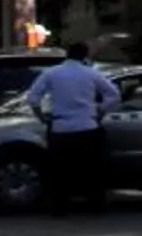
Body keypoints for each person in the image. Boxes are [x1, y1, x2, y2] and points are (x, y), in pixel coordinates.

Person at [27, 42, 121, 210]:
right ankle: (95, 204)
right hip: (88, 126)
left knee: (59, 171)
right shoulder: (91, 74)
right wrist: (100, 111)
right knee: (92, 169)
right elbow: (113, 95)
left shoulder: (52, 73)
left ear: (67, 54)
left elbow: (33, 97)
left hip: (60, 128)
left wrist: (42, 117)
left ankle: (59, 206)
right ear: (85, 56)